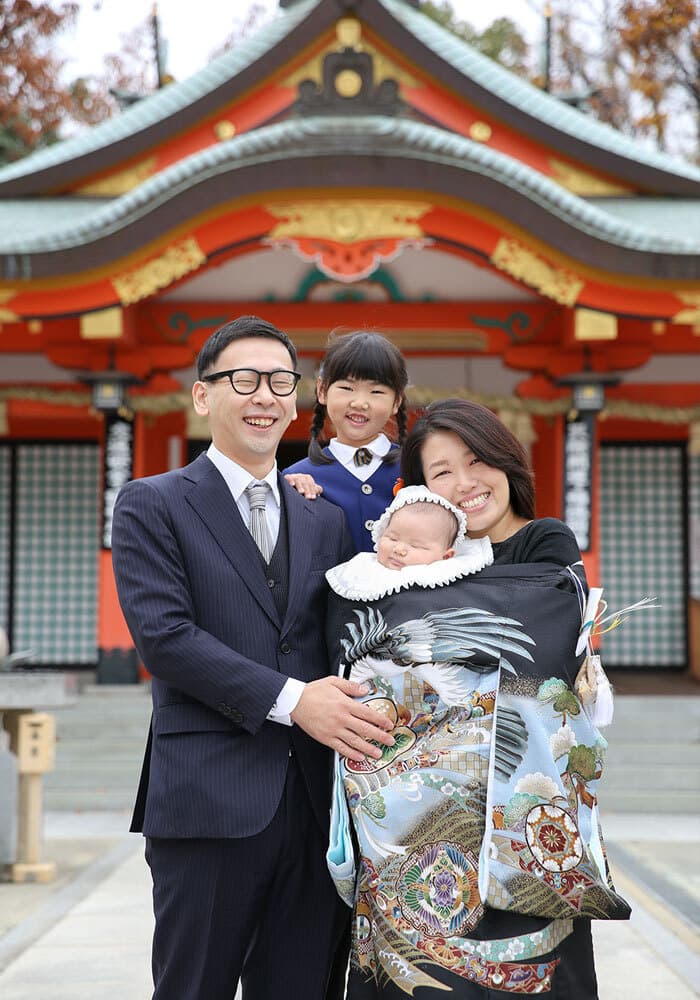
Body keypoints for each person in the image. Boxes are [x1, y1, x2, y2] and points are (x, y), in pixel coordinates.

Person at [110, 315, 396, 1000]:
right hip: (208, 800)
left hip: (315, 805)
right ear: (203, 396)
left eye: (279, 382)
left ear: (297, 402)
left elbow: (350, 636)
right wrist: (299, 701)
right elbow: (166, 638)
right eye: (244, 379)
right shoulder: (151, 503)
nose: (264, 395)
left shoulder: (323, 517)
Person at [324, 399, 629, 999]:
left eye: (477, 460)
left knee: (529, 964)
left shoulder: (544, 542)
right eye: (441, 473)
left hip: (518, 812)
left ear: (506, 462)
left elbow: (542, 654)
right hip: (414, 826)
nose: (464, 484)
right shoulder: (399, 563)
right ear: (421, 490)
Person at [284, 330, 408, 552]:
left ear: (396, 401)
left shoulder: (417, 468)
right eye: (347, 388)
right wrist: (287, 490)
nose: (360, 402)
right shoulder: (296, 479)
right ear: (322, 391)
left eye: (376, 391)